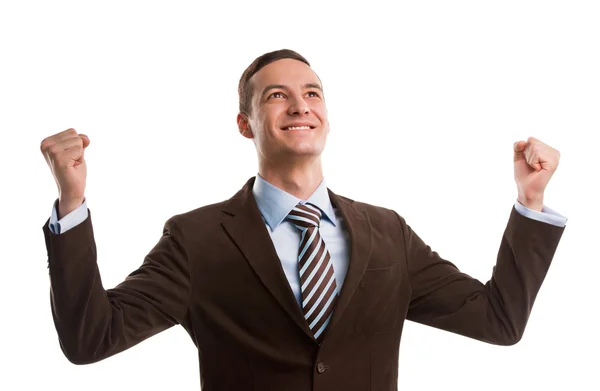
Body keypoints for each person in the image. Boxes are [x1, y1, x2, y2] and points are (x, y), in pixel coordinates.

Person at [40, 49, 567, 390]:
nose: (300, 106)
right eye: (278, 96)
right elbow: (91, 337)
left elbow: (499, 320)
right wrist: (72, 202)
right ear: (246, 124)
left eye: (312, 93)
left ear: (326, 116)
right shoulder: (196, 239)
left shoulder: (388, 234)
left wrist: (531, 204)